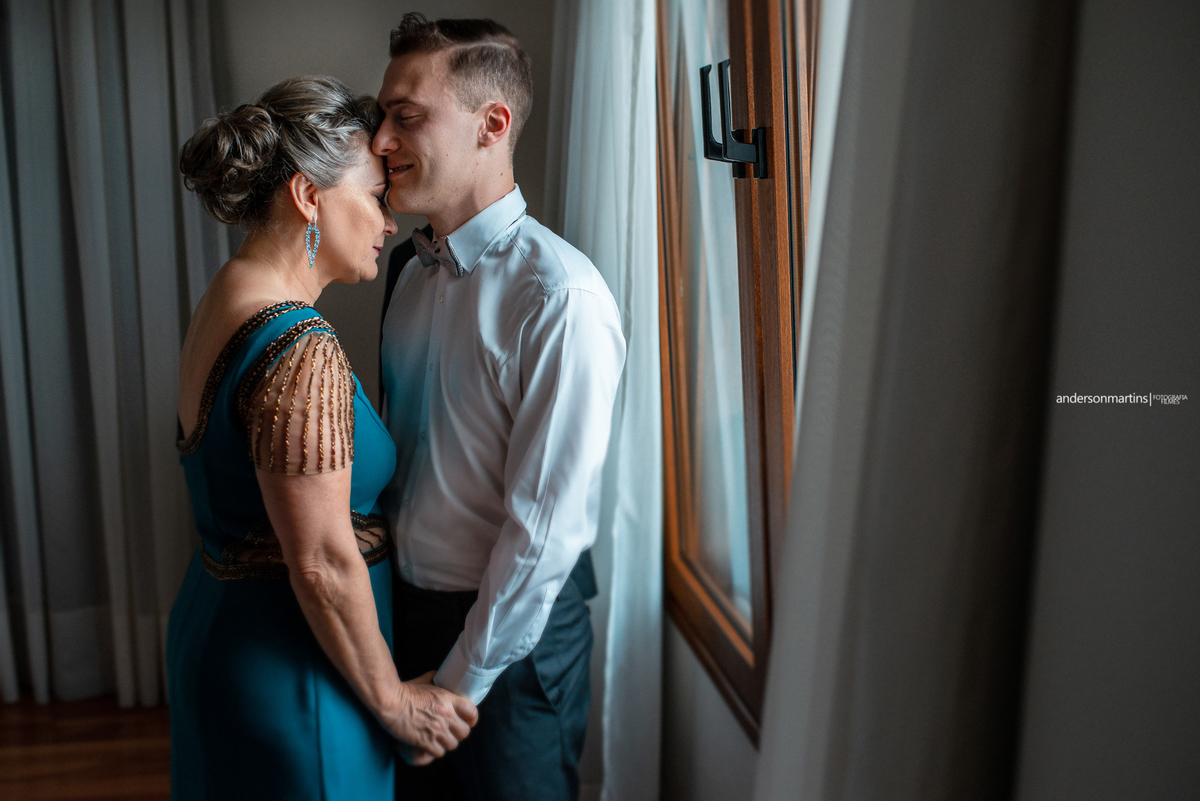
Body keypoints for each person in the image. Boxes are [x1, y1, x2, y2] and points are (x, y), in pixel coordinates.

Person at [167, 75, 477, 800]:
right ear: (308, 195)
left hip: (223, 633)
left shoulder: (228, 292)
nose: (388, 222)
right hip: (297, 669)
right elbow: (321, 561)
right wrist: (394, 701)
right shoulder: (300, 348)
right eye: (374, 196)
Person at [373, 15, 627, 801]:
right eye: (382, 117)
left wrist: (460, 683)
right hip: (404, 620)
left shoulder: (560, 297)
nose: (380, 141)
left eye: (406, 116)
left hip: (512, 648)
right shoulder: (404, 273)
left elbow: (544, 532)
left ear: (492, 124)